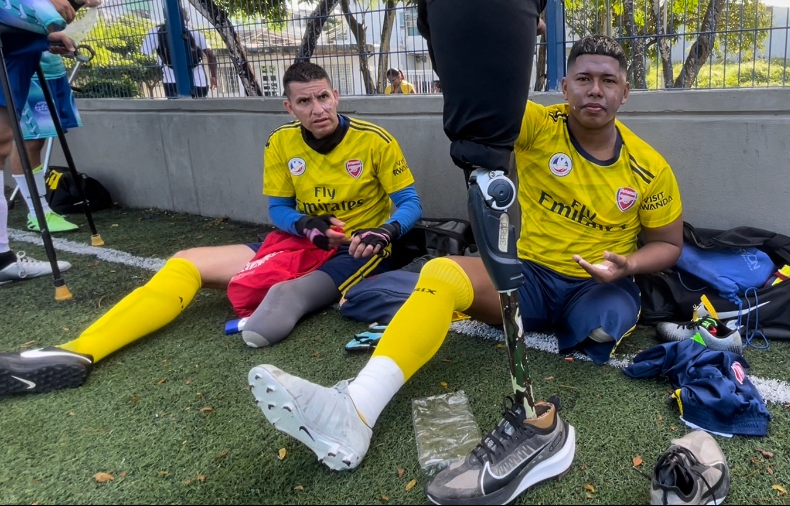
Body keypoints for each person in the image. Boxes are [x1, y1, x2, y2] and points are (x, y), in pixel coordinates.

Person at [248, 36, 684, 503]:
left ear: (625, 91)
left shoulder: (649, 167)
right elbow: (485, 103)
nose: (594, 90)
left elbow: (668, 245)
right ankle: (355, 408)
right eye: (583, 79)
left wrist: (627, 265)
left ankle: (584, 325)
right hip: (528, 278)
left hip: (601, 285)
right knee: (441, 272)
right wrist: (490, 25)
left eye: (607, 81)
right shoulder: (538, 125)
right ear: (564, 86)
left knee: (600, 327)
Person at [0, 61, 424, 396]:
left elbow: (410, 203)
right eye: (305, 102)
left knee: (268, 323)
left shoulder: (374, 140)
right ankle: (79, 351)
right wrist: (305, 224)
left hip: (359, 250)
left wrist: (383, 233)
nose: (318, 110)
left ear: (336, 96)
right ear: (288, 107)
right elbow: (278, 209)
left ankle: (292, 290)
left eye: (324, 97)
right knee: (186, 263)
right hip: (299, 240)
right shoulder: (280, 142)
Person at [1, 0, 100, 233]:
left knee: (36, 137)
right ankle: (37, 210)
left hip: (40, 55)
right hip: (16, 54)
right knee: (20, 138)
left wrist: (70, 6)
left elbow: (43, 10)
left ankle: (39, 210)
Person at [0, 0, 77, 282]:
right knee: (12, 140)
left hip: (19, 41)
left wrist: (45, 33)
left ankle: (3, 256)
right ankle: (33, 216)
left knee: (4, 139)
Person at [141, 16, 219, 98]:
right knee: (199, 108)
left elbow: (145, 54)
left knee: (176, 109)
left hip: (171, 81)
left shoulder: (156, 32)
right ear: (186, 19)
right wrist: (213, 76)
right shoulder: (195, 32)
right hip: (199, 82)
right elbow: (210, 55)